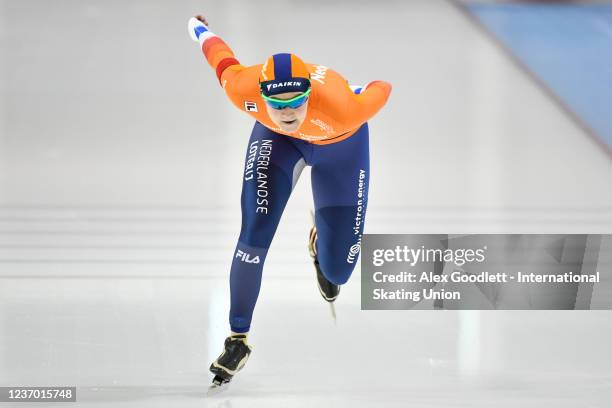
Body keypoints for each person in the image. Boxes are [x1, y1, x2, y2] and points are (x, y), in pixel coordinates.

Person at [187, 15, 392, 386]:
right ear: (261, 97)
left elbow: (383, 87)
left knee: (338, 274)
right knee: (255, 231)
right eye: (276, 105)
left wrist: (360, 88)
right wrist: (199, 27)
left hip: (341, 148)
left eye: (296, 102)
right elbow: (220, 57)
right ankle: (237, 339)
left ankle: (321, 249)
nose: (287, 113)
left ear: (308, 94)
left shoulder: (347, 107)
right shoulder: (242, 90)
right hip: (279, 146)